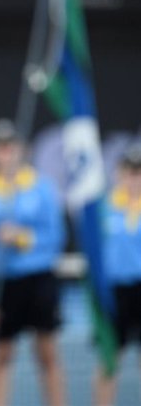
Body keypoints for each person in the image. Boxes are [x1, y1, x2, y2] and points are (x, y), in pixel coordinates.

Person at [0, 119, 67, 406]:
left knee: (47, 352)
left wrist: (22, 238)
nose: (5, 153)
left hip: (39, 278)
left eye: (10, 146)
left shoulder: (42, 187)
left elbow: (56, 236)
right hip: (4, 282)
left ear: (21, 150)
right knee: (1, 354)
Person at [95, 143, 141, 406]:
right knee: (109, 361)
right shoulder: (105, 208)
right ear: (120, 173)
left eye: (139, 172)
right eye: (130, 171)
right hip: (116, 293)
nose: (134, 178)